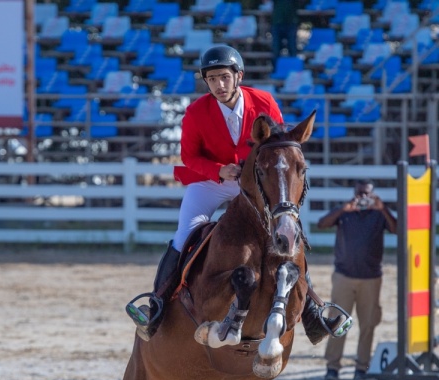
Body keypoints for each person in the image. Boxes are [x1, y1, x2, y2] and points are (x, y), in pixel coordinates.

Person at [125, 44, 348, 344]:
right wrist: (219, 170)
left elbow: (280, 142)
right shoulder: (195, 112)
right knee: (184, 233)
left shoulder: (263, 101)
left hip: (256, 182)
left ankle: (313, 310)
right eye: (212, 78)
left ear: (238, 75)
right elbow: (189, 157)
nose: (219, 84)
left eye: (224, 77)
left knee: (287, 229)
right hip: (212, 180)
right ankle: (158, 304)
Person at [318, 179, 398, 380]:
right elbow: (322, 223)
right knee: (337, 322)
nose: (363, 198)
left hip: (371, 278)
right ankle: (332, 367)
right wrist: (343, 210)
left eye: (367, 194)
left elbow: (397, 229)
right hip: (344, 277)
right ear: (354, 193)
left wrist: (383, 208)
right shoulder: (345, 212)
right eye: (360, 193)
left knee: (368, 325)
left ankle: (362, 367)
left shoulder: (379, 214)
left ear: (373, 194)